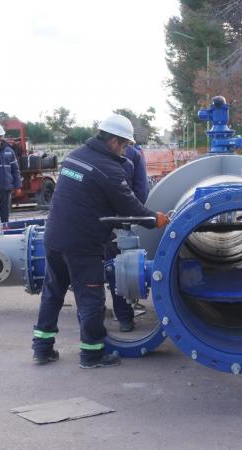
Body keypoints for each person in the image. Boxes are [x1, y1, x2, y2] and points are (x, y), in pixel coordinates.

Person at [31, 113, 170, 369]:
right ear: (113, 141)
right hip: (82, 245)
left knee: (53, 292)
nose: (125, 151)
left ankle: (42, 348)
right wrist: (156, 219)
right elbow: (130, 206)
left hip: (54, 237)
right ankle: (92, 354)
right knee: (91, 299)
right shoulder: (109, 169)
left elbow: (85, 196)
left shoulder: (74, 156)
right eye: (125, 145)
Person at [105, 142, 149, 332]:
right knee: (119, 267)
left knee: (96, 270)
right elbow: (141, 191)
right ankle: (124, 319)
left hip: (97, 221)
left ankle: (96, 313)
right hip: (121, 221)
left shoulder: (93, 154)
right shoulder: (134, 155)